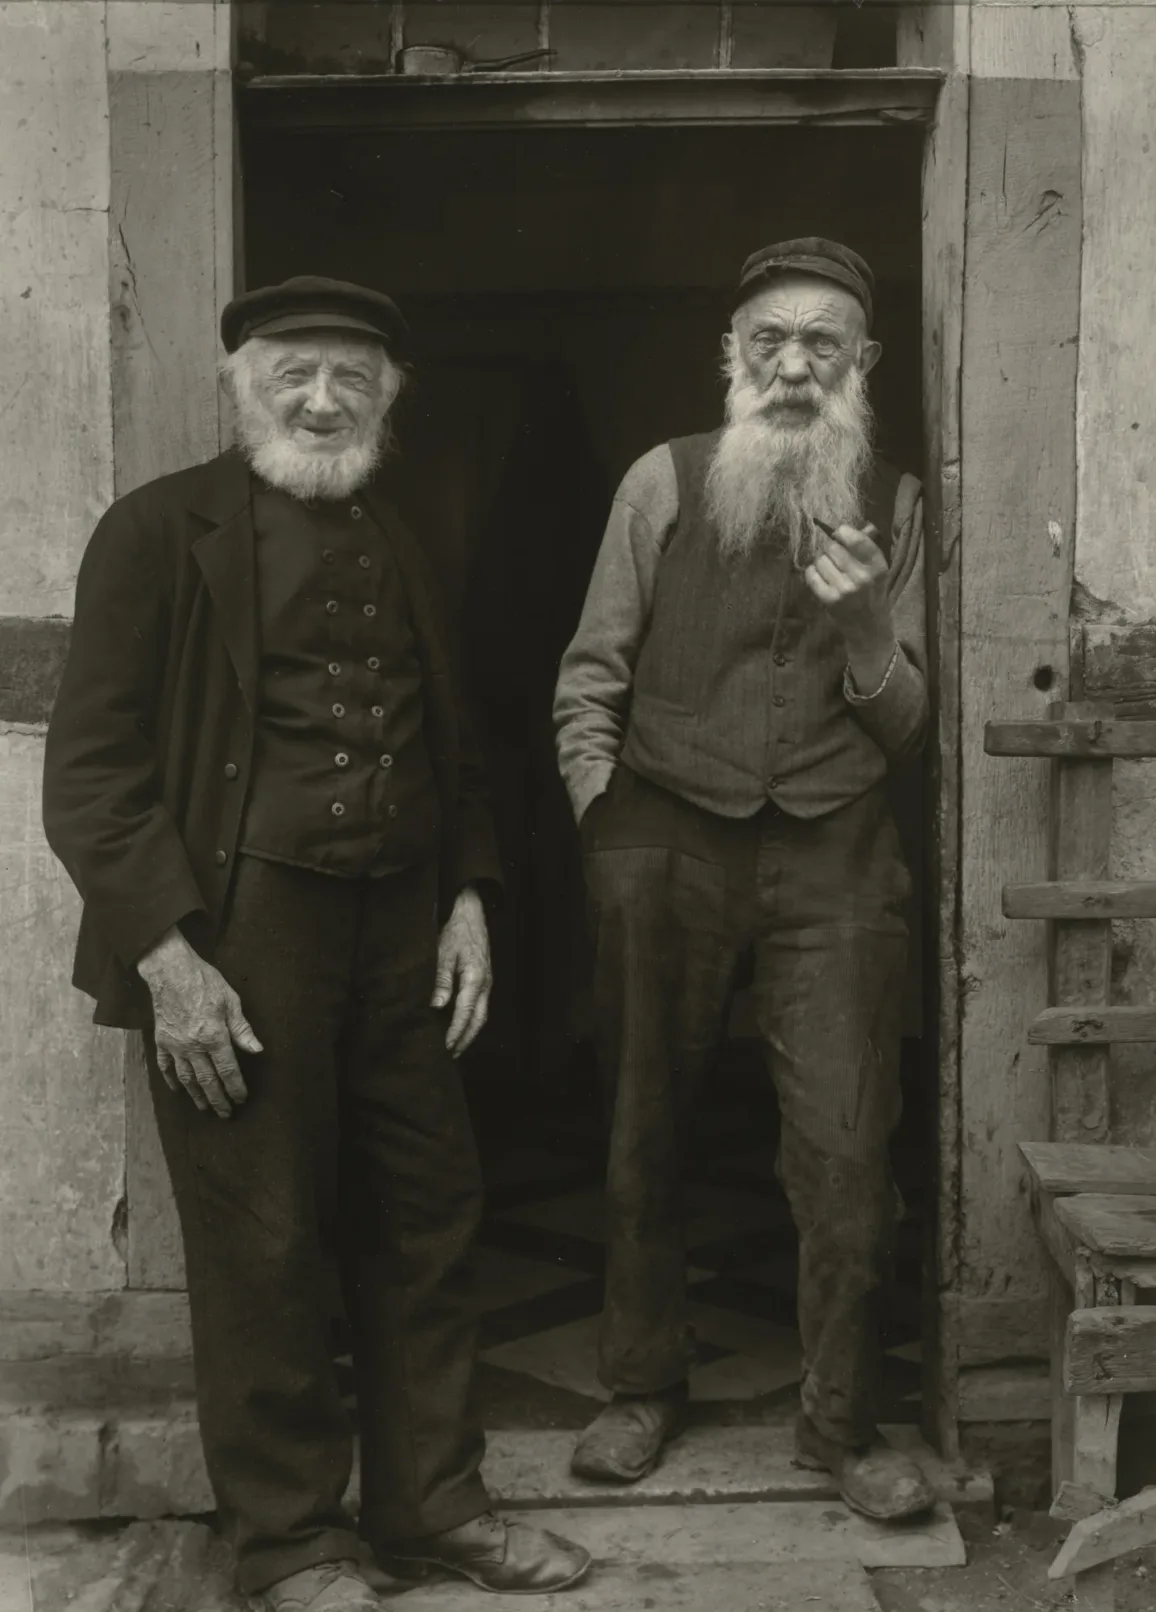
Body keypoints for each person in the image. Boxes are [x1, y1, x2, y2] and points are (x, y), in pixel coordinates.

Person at [43, 277, 590, 1611]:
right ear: (242, 385)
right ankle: (291, 1542)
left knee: (429, 1215)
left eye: (352, 375)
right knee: (265, 1239)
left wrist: (467, 897)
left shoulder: (401, 540)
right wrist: (171, 963)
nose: (323, 398)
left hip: (400, 931)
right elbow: (93, 775)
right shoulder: (158, 531)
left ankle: (434, 1509)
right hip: (240, 937)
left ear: (389, 398)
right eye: (293, 372)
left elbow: (455, 751)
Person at [553, 239, 936, 1523]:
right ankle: (639, 1386)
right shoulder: (658, 481)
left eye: (819, 343)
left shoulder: (897, 499)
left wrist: (871, 628)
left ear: (860, 364)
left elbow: (907, 727)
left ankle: (841, 1422)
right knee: (641, 1119)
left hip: (834, 845)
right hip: (661, 831)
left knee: (844, 1141)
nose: (790, 364)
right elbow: (590, 670)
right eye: (766, 340)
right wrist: (602, 814)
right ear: (731, 357)